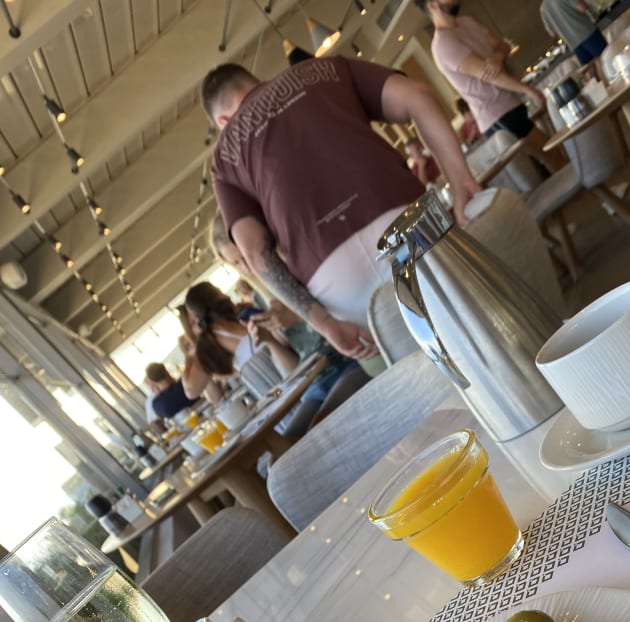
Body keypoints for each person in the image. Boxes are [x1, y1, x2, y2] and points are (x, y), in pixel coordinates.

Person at [200, 58, 479, 363]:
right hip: (406, 219)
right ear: (254, 80)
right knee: (480, 328)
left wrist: (322, 323)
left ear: (223, 121)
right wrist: (461, 182)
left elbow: (255, 254)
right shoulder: (324, 69)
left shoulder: (223, 160)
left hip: (335, 279)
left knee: (419, 370)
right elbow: (418, 95)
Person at [182, 282, 369, 439]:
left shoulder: (241, 319)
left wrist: (190, 349)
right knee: (293, 444)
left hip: (307, 382)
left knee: (311, 434)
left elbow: (192, 390)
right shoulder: (237, 320)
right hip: (293, 393)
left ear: (196, 316)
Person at [415, 2, 563, 173]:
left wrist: (497, 57)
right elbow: (490, 76)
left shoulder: (467, 22)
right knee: (553, 155)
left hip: (510, 103)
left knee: (551, 160)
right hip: (497, 115)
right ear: (432, 5)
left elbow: (503, 46)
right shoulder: (443, 45)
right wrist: (527, 89)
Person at [539, 0, 607, 66]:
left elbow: (552, 33)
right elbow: (582, 7)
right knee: (607, 56)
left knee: (589, 67)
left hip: (572, 43)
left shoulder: (543, 8)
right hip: (586, 33)